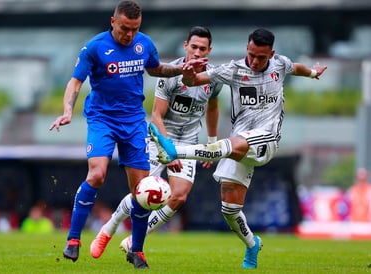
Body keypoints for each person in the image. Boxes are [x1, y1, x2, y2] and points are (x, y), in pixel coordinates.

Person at [149, 28, 327, 269]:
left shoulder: (279, 65)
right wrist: (189, 75)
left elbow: (298, 67)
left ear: (271, 54)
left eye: (261, 57)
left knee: (223, 146)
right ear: (247, 48)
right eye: (251, 54)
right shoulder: (232, 70)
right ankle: (252, 244)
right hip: (240, 141)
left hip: (266, 139)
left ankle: (173, 151)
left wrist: (314, 72)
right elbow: (197, 81)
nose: (254, 61)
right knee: (230, 209)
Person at [48, 0, 183, 269]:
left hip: (133, 122)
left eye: (134, 29)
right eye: (124, 28)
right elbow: (75, 82)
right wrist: (67, 110)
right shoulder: (95, 47)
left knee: (141, 190)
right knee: (97, 174)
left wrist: (181, 68)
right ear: (113, 22)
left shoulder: (144, 43)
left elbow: (155, 69)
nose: (129, 34)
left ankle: (138, 251)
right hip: (102, 120)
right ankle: (74, 239)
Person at [89, 26, 222, 258]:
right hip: (161, 136)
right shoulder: (171, 75)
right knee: (141, 191)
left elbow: (212, 106)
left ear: (209, 50)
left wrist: (212, 141)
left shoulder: (213, 77)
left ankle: (133, 240)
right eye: (194, 47)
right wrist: (168, 151)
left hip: (189, 141)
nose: (198, 52)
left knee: (178, 196)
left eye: (203, 48)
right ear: (185, 46)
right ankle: (107, 229)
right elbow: (157, 117)